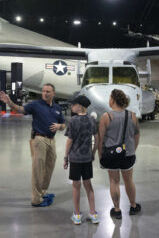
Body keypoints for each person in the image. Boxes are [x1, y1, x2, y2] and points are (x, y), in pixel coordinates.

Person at [0, 83, 66, 207]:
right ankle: (36, 199)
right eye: (44, 91)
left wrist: (59, 126)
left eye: (48, 91)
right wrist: (9, 102)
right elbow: (20, 109)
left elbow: (63, 124)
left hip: (52, 141)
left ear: (53, 93)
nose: (45, 93)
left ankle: (42, 192)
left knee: (49, 168)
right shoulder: (36, 105)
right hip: (39, 139)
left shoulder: (57, 108)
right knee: (38, 169)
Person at [98, 89, 141, 219]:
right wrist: (132, 149)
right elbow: (137, 134)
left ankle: (117, 210)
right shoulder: (132, 115)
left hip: (111, 155)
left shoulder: (106, 116)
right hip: (128, 154)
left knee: (114, 181)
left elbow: (101, 138)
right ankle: (133, 206)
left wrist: (101, 155)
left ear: (113, 100)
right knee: (129, 180)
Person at [63, 95, 99, 225]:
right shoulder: (92, 120)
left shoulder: (73, 121)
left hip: (75, 158)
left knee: (76, 186)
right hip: (87, 158)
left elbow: (69, 141)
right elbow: (97, 139)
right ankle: (93, 214)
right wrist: (93, 153)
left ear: (80, 106)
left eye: (73, 105)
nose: (71, 107)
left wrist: (65, 157)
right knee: (88, 185)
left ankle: (77, 215)